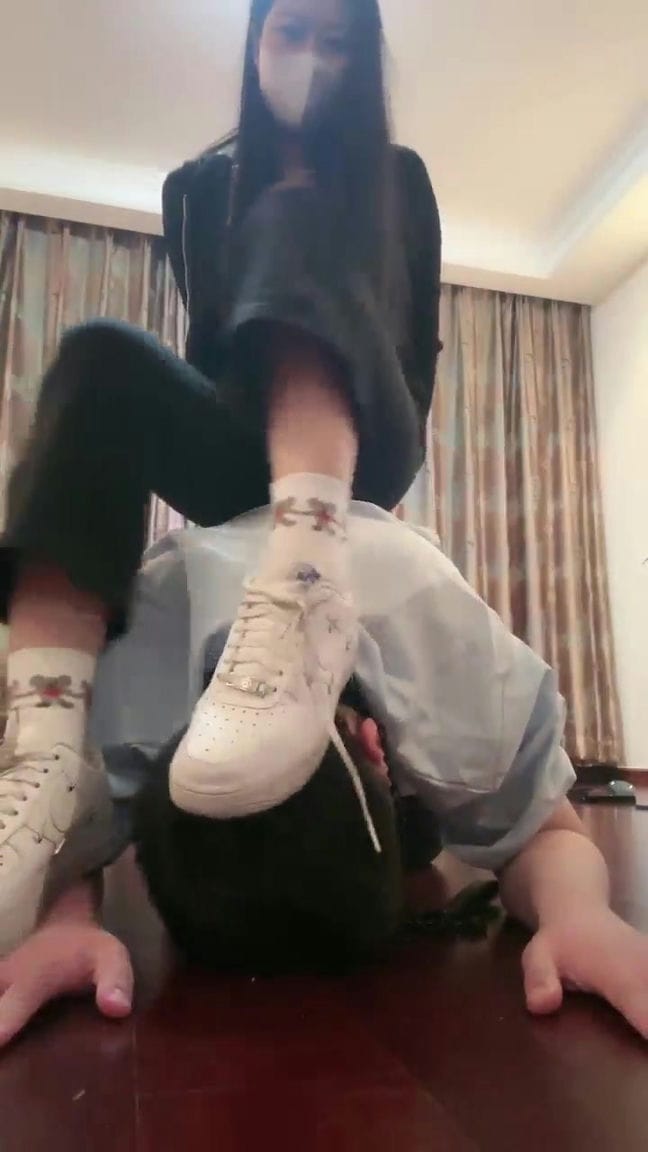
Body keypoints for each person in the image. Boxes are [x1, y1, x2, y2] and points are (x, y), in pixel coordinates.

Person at [0, 0, 442, 928]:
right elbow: (211, 344)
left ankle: (311, 573)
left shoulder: (399, 177)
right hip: (244, 432)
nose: (312, 60)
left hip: (367, 432)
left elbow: (414, 350)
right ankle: (49, 760)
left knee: (296, 214)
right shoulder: (198, 188)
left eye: (337, 43)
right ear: (255, 43)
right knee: (96, 356)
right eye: (291, 33)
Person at [1, 505, 648, 1047]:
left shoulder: (446, 664)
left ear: (373, 746)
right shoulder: (131, 683)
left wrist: (580, 915)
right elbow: (547, 831)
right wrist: (579, 914)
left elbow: (548, 833)